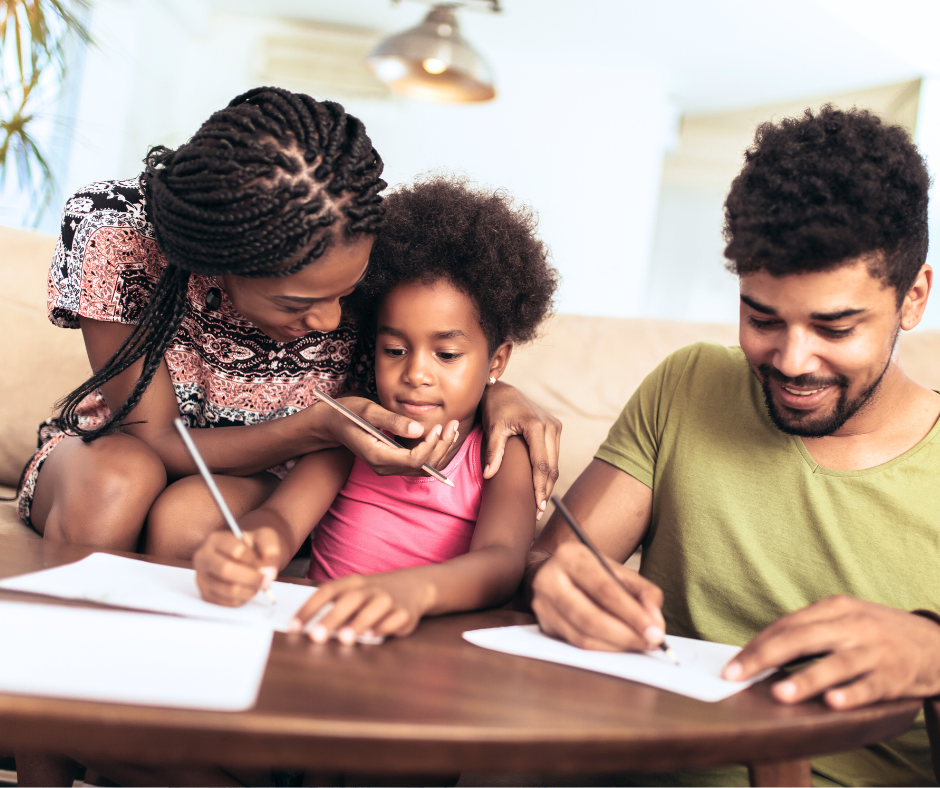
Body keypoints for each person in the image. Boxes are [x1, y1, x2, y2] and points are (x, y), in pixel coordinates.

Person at [526, 105, 940, 786]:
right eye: (762, 317)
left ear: (913, 299)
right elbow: (557, 559)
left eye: (835, 328)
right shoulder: (690, 384)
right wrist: (556, 584)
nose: (792, 360)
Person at [15, 86, 562, 564]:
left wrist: (499, 393)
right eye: (297, 302)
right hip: (121, 449)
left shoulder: (364, 237)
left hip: (270, 477)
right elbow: (156, 438)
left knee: (191, 521)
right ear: (218, 262)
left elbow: (442, 344)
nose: (328, 320)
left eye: (346, 295)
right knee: (119, 485)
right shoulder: (118, 233)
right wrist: (318, 426)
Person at [193, 176, 558, 643]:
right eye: (394, 350)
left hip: (434, 657)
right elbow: (283, 519)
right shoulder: (353, 435)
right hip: (323, 638)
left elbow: (503, 562)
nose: (416, 374)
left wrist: (412, 591)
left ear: (497, 362)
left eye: (446, 355)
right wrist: (252, 544)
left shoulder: (502, 453)